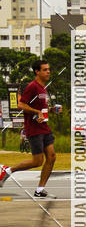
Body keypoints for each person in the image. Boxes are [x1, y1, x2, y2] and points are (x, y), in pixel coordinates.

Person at [0, 60, 58, 198]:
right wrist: (36, 112)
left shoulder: (43, 88)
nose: (48, 72)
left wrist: (51, 109)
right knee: (37, 161)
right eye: (45, 70)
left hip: (44, 126)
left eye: (49, 69)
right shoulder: (33, 86)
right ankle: (8, 170)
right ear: (37, 72)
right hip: (34, 129)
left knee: (52, 157)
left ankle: (39, 190)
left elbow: (41, 109)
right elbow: (20, 105)